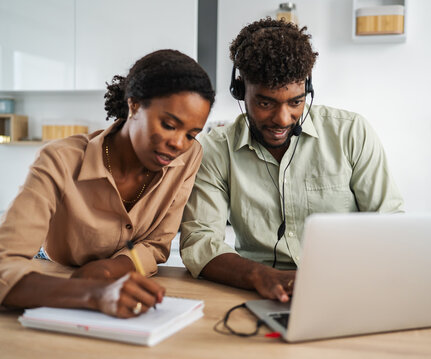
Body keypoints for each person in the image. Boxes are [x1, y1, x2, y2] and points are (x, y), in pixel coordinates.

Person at [180, 19, 404, 303]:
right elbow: (200, 242)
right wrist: (260, 276)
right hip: (258, 292)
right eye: (265, 104)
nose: (282, 119)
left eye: (295, 102)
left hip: (346, 290)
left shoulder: (350, 132)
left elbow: (389, 225)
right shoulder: (215, 150)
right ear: (240, 91)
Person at [0, 49, 215, 318]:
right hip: (54, 276)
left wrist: (108, 271)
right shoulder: (60, 160)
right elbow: (4, 266)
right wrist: (95, 294)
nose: (179, 144)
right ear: (134, 105)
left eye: (191, 134)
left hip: (121, 286)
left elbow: (156, 245)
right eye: (169, 125)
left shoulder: (189, 156)